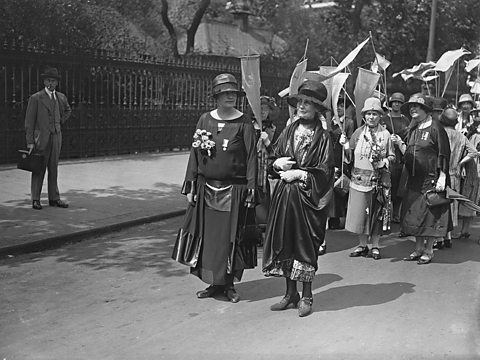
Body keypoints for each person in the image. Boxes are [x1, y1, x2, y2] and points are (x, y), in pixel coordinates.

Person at [174, 73, 257, 303]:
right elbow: (195, 153)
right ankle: (214, 283)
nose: (230, 97)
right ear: (217, 97)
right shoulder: (205, 120)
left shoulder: (244, 122)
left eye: (233, 93)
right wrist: (190, 184)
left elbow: (251, 157)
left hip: (234, 190)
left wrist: (251, 189)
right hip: (206, 188)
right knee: (210, 238)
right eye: (225, 93)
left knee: (229, 239)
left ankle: (228, 285)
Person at [262, 79, 334, 317]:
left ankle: (307, 296)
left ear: (316, 108)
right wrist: (277, 164)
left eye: (308, 103)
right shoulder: (289, 130)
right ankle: (289, 293)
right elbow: (274, 159)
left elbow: (325, 172)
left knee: (305, 246)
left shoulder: (323, 137)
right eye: (300, 102)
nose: (302, 106)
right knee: (286, 243)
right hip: (285, 198)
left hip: (307, 201)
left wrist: (302, 174)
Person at [393, 94, 451, 265]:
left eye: (417, 106)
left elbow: (444, 154)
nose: (413, 109)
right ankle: (418, 249)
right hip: (413, 180)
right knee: (414, 215)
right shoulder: (413, 129)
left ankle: (429, 250)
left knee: (430, 216)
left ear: (425, 110)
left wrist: (442, 176)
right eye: (411, 107)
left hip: (431, 180)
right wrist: (399, 144)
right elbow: (409, 154)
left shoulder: (435, 128)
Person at [340, 97, 395, 260]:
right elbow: (348, 156)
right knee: (360, 214)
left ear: (380, 116)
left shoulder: (385, 135)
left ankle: (376, 245)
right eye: (368, 114)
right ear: (364, 116)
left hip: (377, 182)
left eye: (374, 114)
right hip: (358, 180)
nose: (371, 117)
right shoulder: (358, 133)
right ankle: (362, 245)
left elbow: (392, 157)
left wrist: (384, 162)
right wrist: (344, 146)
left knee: (376, 214)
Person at [25, 67, 72, 210]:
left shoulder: (61, 97)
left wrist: (59, 122)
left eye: (53, 81)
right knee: (38, 168)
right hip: (42, 138)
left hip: (56, 137)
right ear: (44, 81)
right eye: (48, 80)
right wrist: (30, 142)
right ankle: (35, 199)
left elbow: (68, 110)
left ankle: (54, 198)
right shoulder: (36, 98)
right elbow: (29, 122)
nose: (50, 83)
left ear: (57, 83)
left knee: (54, 168)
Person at [435, 109, 478, 248]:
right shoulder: (460, 136)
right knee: (451, 206)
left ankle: (439, 238)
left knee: (439, 205)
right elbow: (473, 152)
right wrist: (461, 162)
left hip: (441, 174)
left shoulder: (439, 133)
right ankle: (448, 237)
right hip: (455, 175)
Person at [327, 93, 355, 234]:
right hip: (328, 156)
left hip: (341, 157)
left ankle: (336, 218)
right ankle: (329, 217)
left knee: (338, 189)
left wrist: (346, 143)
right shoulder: (328, 121)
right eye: (337, 105)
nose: (338, 108)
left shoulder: (348, 122)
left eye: (342, 106)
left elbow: (351, 142)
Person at [381, 92, 410, 223]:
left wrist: (400, 141)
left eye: (399, 102)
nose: (396, 104)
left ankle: (397, 213)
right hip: (388, 154)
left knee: (400, 185)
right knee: (387, 184)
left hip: (401, 156)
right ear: (390, 103)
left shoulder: (405, 120)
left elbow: (409, 136)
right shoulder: (384, 119)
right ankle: (386, 212)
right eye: (394, 102)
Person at [254, 96, 278, 242]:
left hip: (266, 171)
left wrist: (268, 141)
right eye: (260, 108)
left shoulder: (273, 128)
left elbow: (278, 151)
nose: (263, 111)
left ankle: (264, 233)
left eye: (266, 109)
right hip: (252, 169)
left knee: (265, 200)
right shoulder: (248, 126)